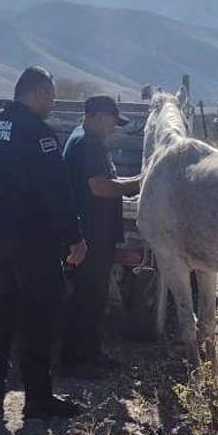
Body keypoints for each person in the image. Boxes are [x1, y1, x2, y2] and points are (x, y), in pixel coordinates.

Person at [0, 66, 88, 420]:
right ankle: (37, 399)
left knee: (1, 316)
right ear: (37, 93)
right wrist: (75, 238)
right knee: (39, 318)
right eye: (50, 96)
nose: (52, 103)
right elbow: (57, 191)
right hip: (34, 241)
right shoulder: (38, 133)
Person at [60, 96, 140, 377]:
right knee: (88, 296)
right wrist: (138, 183)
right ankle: (77, 361)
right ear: (98, 116)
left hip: (93, 232)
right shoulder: (89, 143)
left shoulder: (81, 138)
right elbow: (100, 187)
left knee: (90, 297)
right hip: (91, 234)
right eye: (112, 122)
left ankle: (89, 354)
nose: (113, 128)